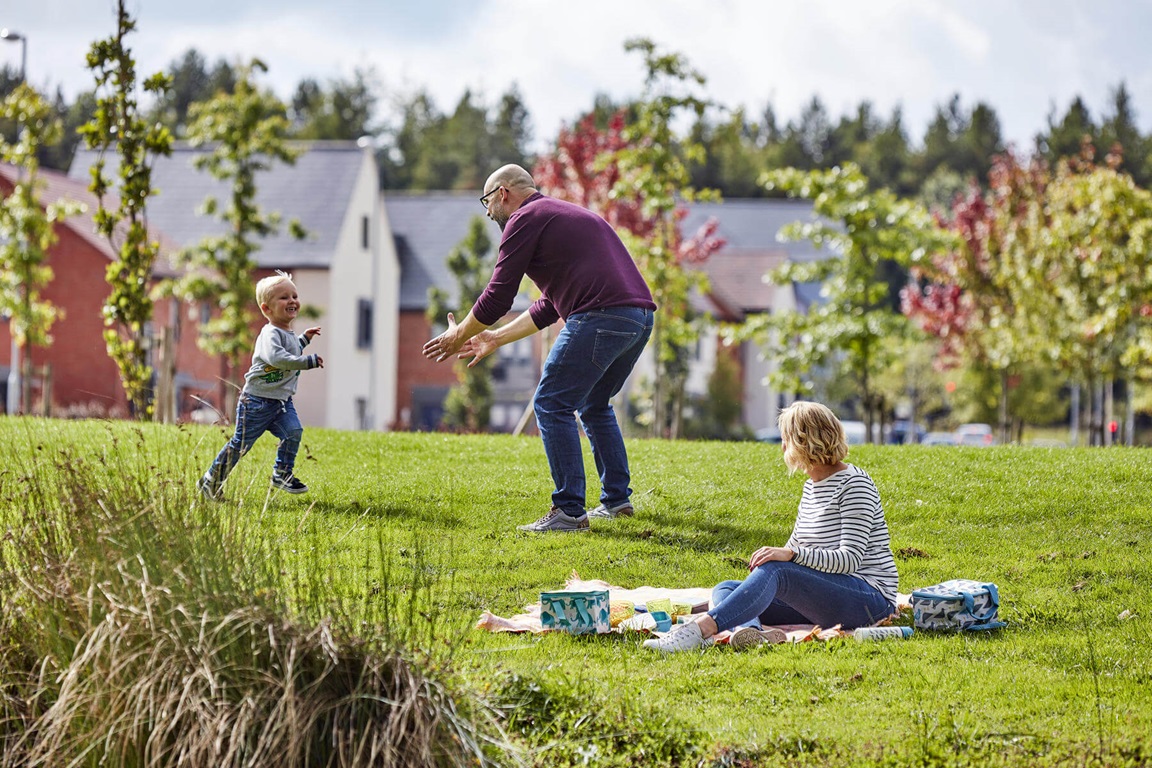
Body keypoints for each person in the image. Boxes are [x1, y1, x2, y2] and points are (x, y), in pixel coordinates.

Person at [422, 164, 656, 532]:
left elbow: (498, 296)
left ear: (503, 193)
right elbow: (549, 305)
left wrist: (459, 334)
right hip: (638, 318)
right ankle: (616, 501)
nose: (488, 213)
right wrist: (495, 337)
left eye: (487, 202)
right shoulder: (562, 215)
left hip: (601, 316)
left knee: (551, 401)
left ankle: (568, 511)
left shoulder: (525, 217)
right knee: (593, 404)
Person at [643, 401, 899, 652]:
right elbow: (795, 547)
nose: (783, 447)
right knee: (727, 588)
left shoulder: (854, 485)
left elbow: (849, 560)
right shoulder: (812, 485)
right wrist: (759, 577)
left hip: (869, 600)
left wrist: (789, 557)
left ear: (803, 441)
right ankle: (750, 633)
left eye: (785, 439)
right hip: (827, 597)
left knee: (778, 570)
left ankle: (699, 631)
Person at [197, 271, 323, 500]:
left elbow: (291, 348)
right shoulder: (270, 334)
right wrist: (307, 362)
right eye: (284, 297)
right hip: (256, 402)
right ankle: (211, 480)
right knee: (240, 445)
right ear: (267, 309)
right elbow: (278, 358)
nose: (292, 300)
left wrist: (304, 339)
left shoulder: (287, 333)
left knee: (293, 431)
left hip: (282, 401)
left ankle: (282, 473)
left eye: (294, 295)